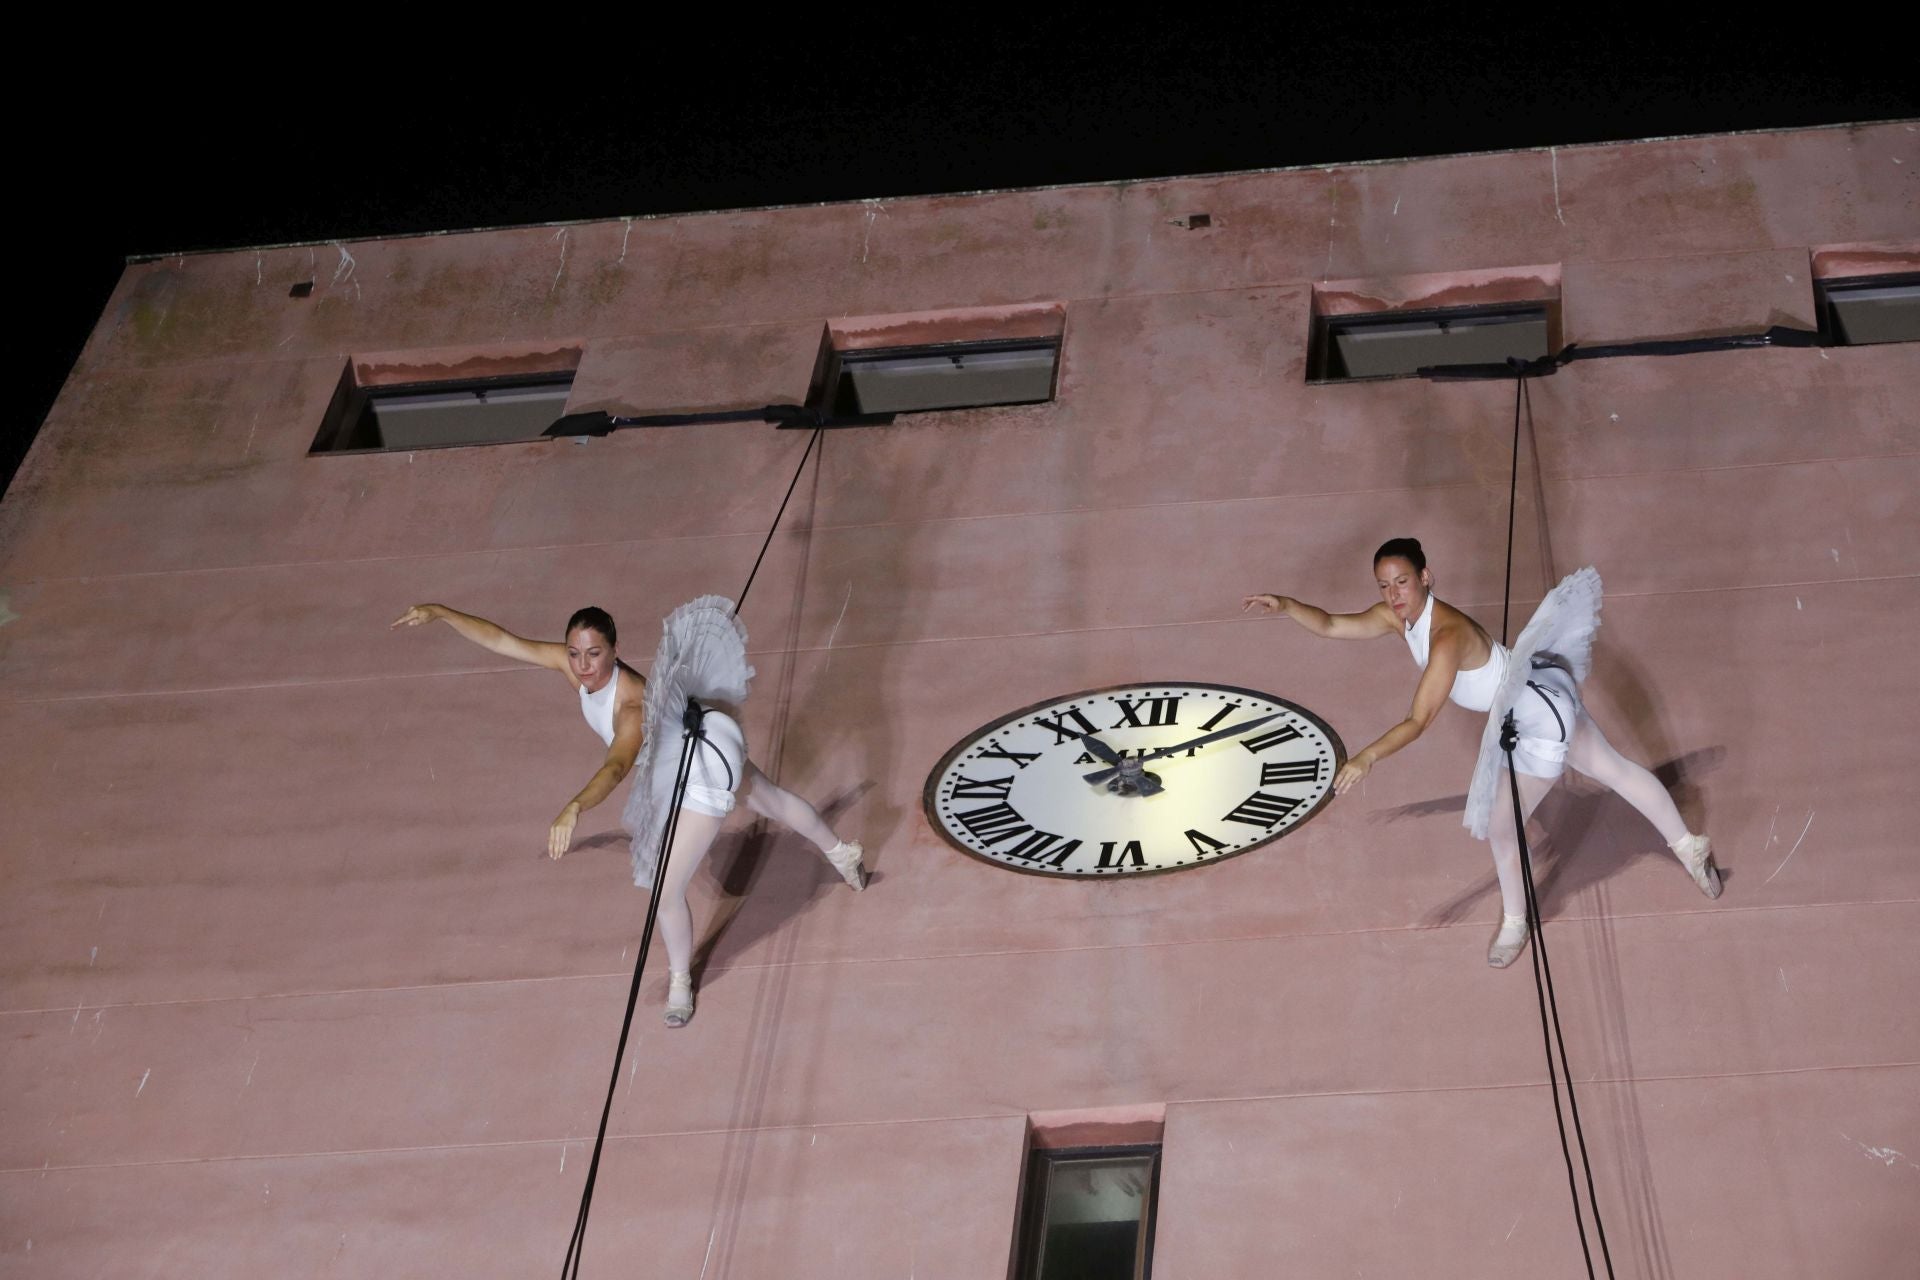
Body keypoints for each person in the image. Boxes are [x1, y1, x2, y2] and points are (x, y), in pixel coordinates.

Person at [1243, 537, 1718, 968]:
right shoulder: (1397, 618)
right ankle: (1689, 846)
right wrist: (1285, 604)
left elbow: (1419, 720)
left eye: (1403, 582)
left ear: (1426, 577)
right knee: (1614, 770)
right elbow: (1329, 624)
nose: (1393, 595)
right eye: (1385, 585)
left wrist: (1367, 757)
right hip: (1540, 691)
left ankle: (1516, 921)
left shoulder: (1446, 636)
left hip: (1538, 715)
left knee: (1501, 824)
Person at [391, 601, 865, 1023]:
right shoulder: (573, 667)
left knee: (666, 887)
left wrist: (575, 806)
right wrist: (443, 613)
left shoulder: (632, 708)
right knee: (769, 798)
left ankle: (681, 981)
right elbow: (504, 640)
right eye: (574, 653)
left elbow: (617, 766)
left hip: (698, 773)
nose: (582, 666)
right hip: (701, 740)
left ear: (614, 651)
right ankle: (843, 853)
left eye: (593, 654)